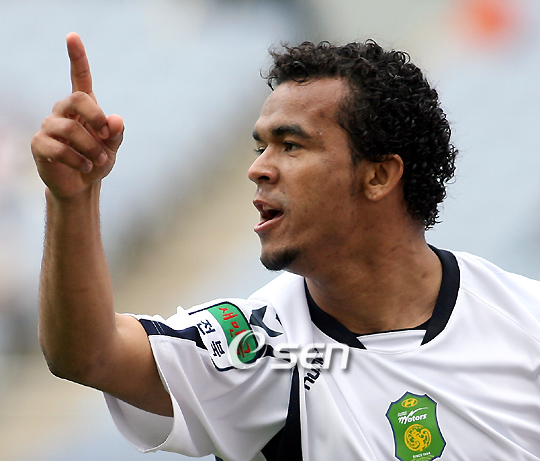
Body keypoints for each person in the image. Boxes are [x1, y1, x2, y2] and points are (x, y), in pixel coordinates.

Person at [31, 33, 540, 461]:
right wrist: (72, 199)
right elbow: (88, 355)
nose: (258, 168)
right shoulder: (260, 350)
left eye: (291, 145)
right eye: (261, 146)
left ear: (379, 176)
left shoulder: (526, 321)